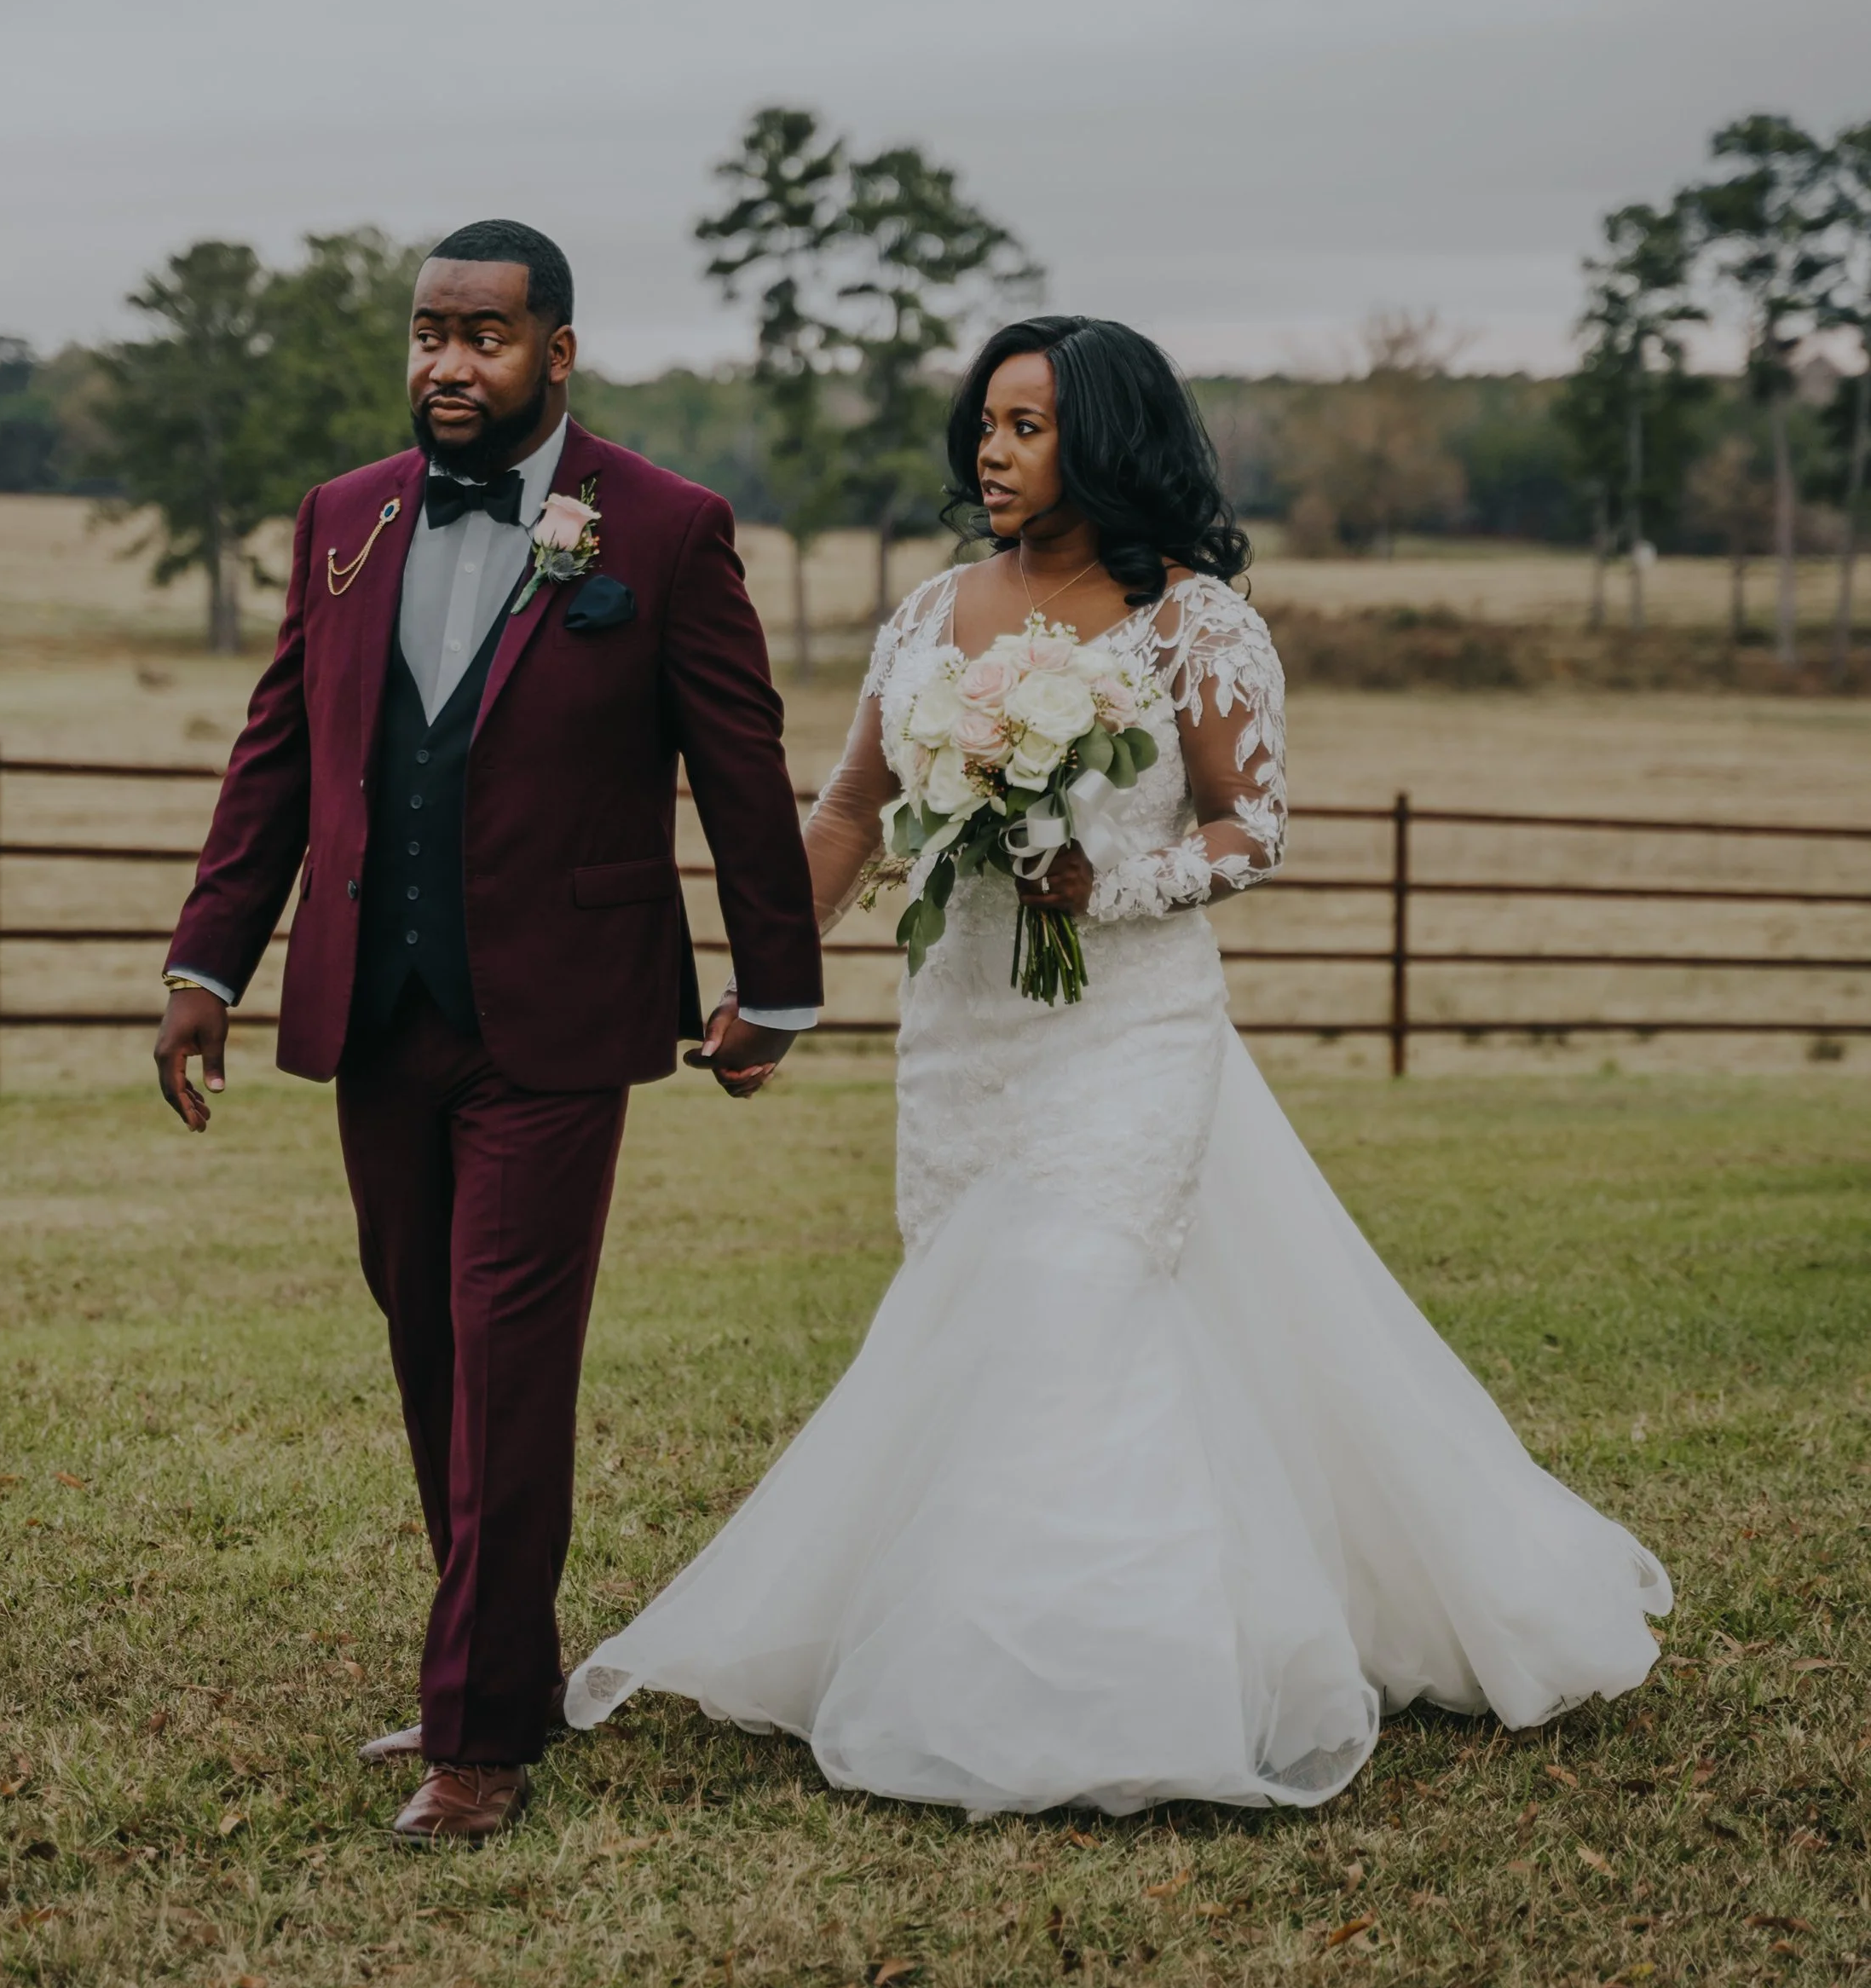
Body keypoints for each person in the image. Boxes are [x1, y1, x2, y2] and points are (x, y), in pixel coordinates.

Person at [566, 315, 1670, 1816]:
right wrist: (777, 976)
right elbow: (844, 808)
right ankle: (967, 1637)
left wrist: (1109, 886)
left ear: (1109, 440)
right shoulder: (931, 611)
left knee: (1077, 1303)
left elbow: (1249, 829)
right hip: (962, 1032)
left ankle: (1104, 1684)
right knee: (978, 1317)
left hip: (1128, 1028)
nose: (991, 451)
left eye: (1027, 427)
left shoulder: (1194, 624)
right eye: (987, 423)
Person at [153, 220, 821, 1844]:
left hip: (560, 1015)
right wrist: (208, 966)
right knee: (423, 1334)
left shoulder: (663, 529)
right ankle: (505, 1667)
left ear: (559, 352)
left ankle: (477, 1736)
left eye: (488, 337)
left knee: (511, 1350)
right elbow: (278, 758)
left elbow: (740, 759)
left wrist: (777, 983)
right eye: (431, 333)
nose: (451, 364)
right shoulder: (343, 519)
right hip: (379, 1009)